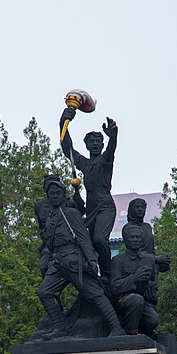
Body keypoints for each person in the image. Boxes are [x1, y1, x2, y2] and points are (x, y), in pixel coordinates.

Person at [37, 179, 125, 338]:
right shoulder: (50, 218)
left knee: (95, 294)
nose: (55, 196)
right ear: (48, 196)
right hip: (57, 262)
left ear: (64, 195)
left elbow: (83, 237)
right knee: (44, 292)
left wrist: (91, 260)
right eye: (51, 193)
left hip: (73, 260)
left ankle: (116, 327)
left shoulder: (71, 213)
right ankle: (59, 328)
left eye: (58, 193)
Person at [59, 107, 118, 281]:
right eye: (92, 141)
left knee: (99, 239)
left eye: (98, 141)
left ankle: (107, 274)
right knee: (89, 245)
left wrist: (113, 137)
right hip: (91, 208)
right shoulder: (85, 164)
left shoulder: (105, 161)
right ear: (87, 145)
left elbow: (111, 151)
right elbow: (68, 150)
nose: (95, 144)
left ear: (102, 145)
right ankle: (93, 274)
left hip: (105, 206)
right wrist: (63, 123)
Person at [110, 223, 159, 336]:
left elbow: (152, 282)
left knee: (153, 320)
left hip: (144, 300)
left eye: (138, 237)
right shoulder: (118, 260)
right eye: (132, 237)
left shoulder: (149, 260)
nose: (136, 240)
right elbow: (114, 287)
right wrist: (134, 278)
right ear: (126, 241)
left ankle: (145, 334)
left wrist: (151, 287)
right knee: (136, 300)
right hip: (123, 300)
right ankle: (131, 334)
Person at [34, 173, 85, 276]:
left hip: (67, 244)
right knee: (44, 267)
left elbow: (80, 211)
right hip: (49, 244)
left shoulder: (67, 203)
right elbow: (41, 226)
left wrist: (76, 189)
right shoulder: (39, 206)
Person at [127, 197, 171, 273]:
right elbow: (135, 251)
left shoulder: (147, 226)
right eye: (137, 207)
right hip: (137, 263)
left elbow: (151, 248)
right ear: (131, 210)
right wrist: (156, 258)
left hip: (151, 262)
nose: (140, 209)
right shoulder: (128, 227)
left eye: (142, 207)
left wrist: (160, 259)